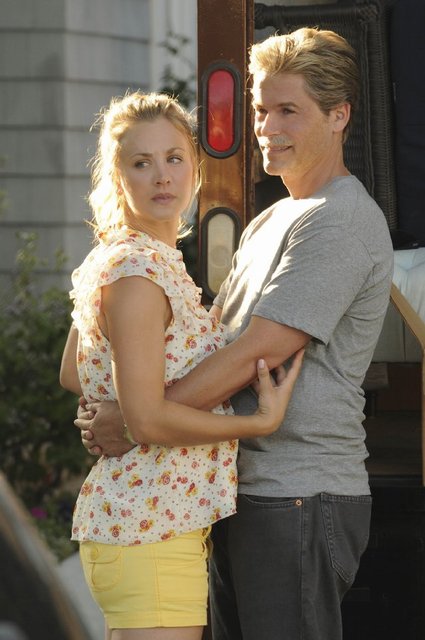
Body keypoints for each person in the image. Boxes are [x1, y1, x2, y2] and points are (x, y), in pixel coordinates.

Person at [75, 27, 394, 640]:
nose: (267, 127)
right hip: (236, 492)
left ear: (339, 116)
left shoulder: (341, 221)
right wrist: (130, 406)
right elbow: (211, 341)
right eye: (260, 110)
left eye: (288, 110)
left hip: (298, 494)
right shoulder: (270, 221)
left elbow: (256, 352)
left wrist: (139, 420)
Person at [59, 90, 303, 640]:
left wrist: (112, 404)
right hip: (148, 529)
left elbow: (75, 371)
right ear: (117, 178)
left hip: (149, 522)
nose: (162, 176)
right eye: (141, 163)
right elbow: (144, 421)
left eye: (174, 158)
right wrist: (256, 423)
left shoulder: (137, 260)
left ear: (195, 170)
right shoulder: (137, 273)